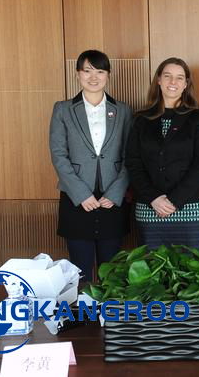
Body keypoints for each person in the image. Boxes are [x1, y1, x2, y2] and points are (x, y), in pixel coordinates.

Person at [49, 50, 132, 282]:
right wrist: (81, 194)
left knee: (112, 272)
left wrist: (116, 192)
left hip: (112, 200)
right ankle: (81, 318)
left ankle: (109, 318)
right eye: (87, 71)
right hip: (76, 199)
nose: (93, 77)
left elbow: (130, 156)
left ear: (108, 75)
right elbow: (58, 155)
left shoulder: (124, 111)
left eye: (100, 71)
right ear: (78, 74)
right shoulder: (63, 109)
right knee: (79, 271)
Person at [126, 57, 199, 249]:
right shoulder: (140, 119)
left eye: (179, 78)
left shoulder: (198, 117)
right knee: (152, 271)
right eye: (167, 76)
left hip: (192, 208)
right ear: (158, 80)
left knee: (194, 272)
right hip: (150, 208)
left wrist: (174, 200)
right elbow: (133, 163)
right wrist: (154, 198)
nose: (173, 82)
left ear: (186, 84)